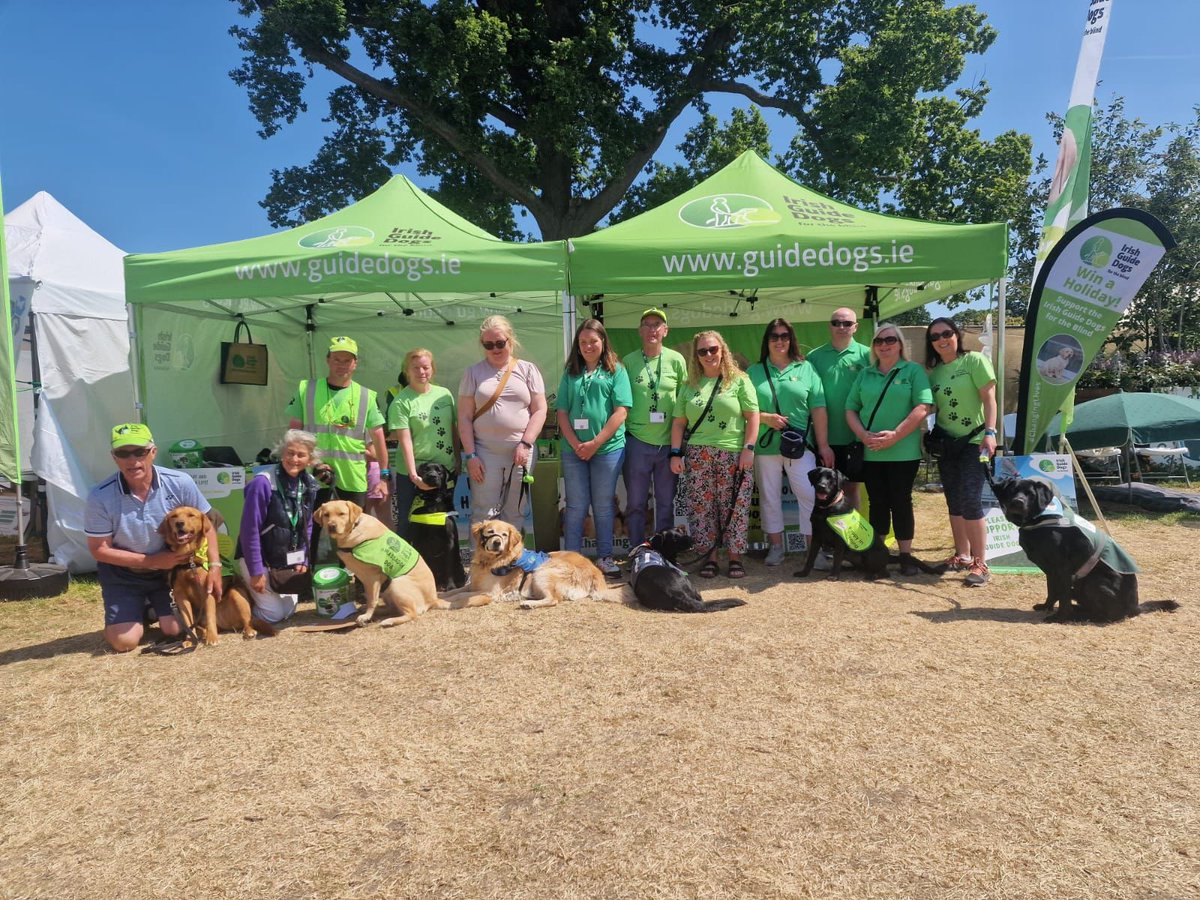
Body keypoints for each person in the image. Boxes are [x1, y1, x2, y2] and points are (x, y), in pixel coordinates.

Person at [84, 423, 221, 652]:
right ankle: (138, 610)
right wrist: (151, 561)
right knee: (124, 642)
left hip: (167, 574)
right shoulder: (100, 496)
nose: (132, 460)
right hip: (123, 574)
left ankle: (151, 609)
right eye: (123, 453)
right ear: (114, 457)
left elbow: (207, 526)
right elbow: (99, 549)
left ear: (153, 452)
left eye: (140, 452)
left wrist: (215, 565)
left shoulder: (180, 482)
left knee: (177, 629)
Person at [287, 335, 389, 560]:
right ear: (327, 360)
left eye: (347, 360)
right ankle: (305, 577)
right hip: (314, 472)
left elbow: (379, 436)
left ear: (355, 363)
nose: (341, 365)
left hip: (352, 476)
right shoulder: (307, 389)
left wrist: (384, 475)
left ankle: (357, 580)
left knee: (354, 531)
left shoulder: (366, 395)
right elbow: (294, 433)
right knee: (308, 528)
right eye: (337, 359)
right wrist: (312, 462)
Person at [670, 331, 760, 579]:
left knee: (735, 507)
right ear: (696, 356)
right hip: (698, 454)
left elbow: (753, 416)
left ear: (723, 351)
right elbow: (679, 423)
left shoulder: (740, 380)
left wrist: (748, 449)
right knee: (702, 509)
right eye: (702, 351)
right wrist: (676, 453)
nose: (709, 355)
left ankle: (734, 558)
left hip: (733, 452)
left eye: (713, 349)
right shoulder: (689, 386)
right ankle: (709, 558)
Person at [845, 324, 933, 576]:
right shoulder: (865, 374)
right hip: (872, 451)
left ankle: (905, 555)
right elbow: (850, 408)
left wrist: (895, 436)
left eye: (890, 340)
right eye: (878, 341)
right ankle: (878, 554)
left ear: (900, 343)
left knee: (901, 501)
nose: (884, 345)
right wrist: (862, 435)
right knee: (877, 502)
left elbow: (922, 407)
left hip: (903, 452)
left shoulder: (913, 371)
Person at [747, 318, 834, 566]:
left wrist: (824, 445)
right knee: (769, 496)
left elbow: (818, 408)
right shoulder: (754, 372)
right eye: (774, 336)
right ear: (767, 341)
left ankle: (813, 550)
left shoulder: (806, 368)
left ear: (791, 339)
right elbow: (744, 410)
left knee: (809, 494)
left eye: (784, 336)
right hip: (765, 446)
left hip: (800, 445)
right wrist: (765, 418)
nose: (779, 341)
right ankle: (776, 547)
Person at [925, 317, 998, 586]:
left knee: (970, 499)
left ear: (956, 334)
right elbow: (930, 408)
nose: (942, 340)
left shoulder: (975, 362)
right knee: (954, 500)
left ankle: (981, 563)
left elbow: (990, 399)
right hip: (947, 443)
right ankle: (963, 555)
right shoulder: (934, 374)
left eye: (947, 333)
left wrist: (991, 433)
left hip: (975, 441)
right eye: (935, 337)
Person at [557, 319, 632, 577]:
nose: (588, 346)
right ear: (578, 345)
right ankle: (571, 561)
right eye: (583, 342)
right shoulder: (570, 372)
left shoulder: (616, 370)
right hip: (574, 450)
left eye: (593, 341)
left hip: (607, 449)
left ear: (603, 342)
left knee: (603, 505)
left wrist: (594, 443)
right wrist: (577, 444)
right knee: (575, 505)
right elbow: (562, 412)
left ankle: (605, 557)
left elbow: (621, 412)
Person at [458, 315, 547, 526]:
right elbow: (464, 417)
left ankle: (512, 559)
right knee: (484, 514)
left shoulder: (527, 369)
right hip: (484, 453)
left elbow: (540, 409)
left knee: (515, 512)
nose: (495, 349)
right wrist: (470, 455)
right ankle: (481, 560)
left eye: (500, 343)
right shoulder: (472, 373)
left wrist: (526, 443)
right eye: (488, 345)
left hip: (520, 451)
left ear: (511, 340)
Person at [235, 429, 322, 623]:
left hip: (285, 560)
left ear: (310, 460)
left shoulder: (309, 485)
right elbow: (249, 532)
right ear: (282, 453)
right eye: (290, 453)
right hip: (261, 560)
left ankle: (256, 597)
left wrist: (304, 559)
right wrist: (256, 571)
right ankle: (236, 609)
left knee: (288, 611)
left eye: (301, 455)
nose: (294, 459)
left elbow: (307, 526)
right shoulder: (262, 484)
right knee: (273, 615)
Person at [621, 307, 689, 548]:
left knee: (665, 502)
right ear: (640, 331)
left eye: (657, 325)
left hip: (669, 442)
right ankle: (637, 549)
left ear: (665, 331)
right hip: (637, 441)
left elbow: (684, 399)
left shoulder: (677, 359)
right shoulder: (628, 362)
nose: (652, 329)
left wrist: (679, 446)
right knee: (636, 503)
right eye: (647, 325)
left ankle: (662, 550)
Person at [388, 348, 459, 538]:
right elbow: (405, 441)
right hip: (415, 473)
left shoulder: (444, 395)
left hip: (445, 470)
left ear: (432, 369)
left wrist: (459, 461)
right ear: (407, 371)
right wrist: (414, 476)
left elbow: (453, 429)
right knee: (407, 521)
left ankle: (440, 564)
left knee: (444, 520)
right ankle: (407, 566)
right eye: (416, 368)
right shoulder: (401, 402)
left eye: (425, 367)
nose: (421, 372)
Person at [807, 307, 872, 507]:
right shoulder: (814, 357)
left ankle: (851, 538)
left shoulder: (868, 355)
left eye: (847, 323)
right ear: (830, 326)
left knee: (851, 489)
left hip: (855, 436)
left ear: (856, 327)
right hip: (823, 438)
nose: (841, 327)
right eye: (836, 323)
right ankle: (829, 538)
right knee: (823, 492)